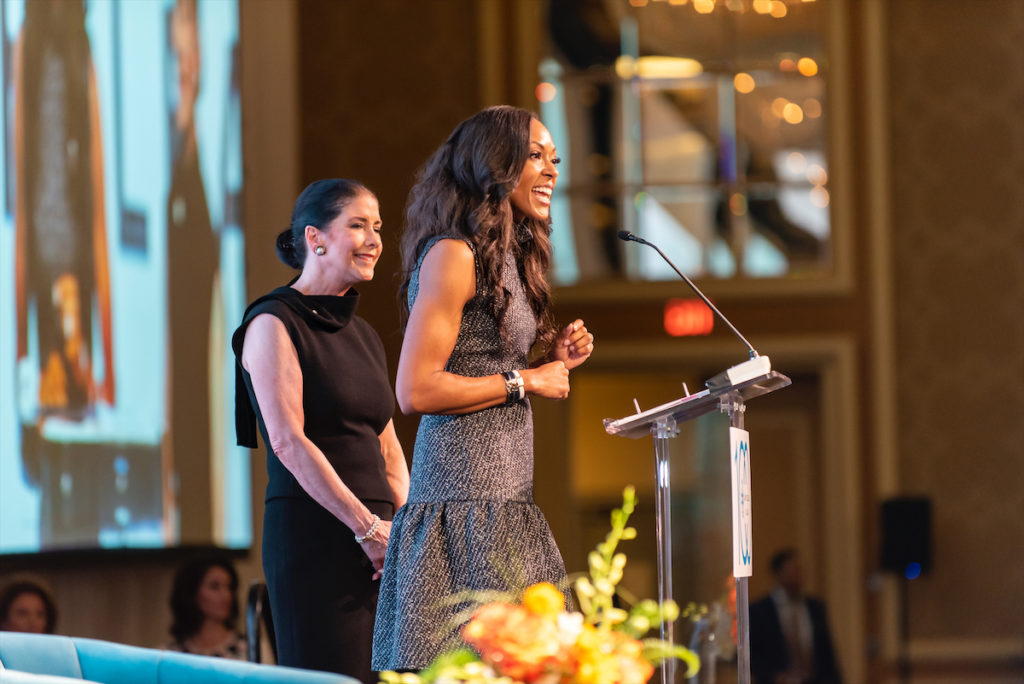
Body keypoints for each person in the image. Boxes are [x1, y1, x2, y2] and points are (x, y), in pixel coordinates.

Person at [372, 105, 595, 670]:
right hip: (464, 492)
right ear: (496, 164)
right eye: (536, 156)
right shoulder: (453, 253)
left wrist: (552, 359)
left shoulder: (510, 258)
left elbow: (480, 360)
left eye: (555, 159)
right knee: (474, 665)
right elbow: (415, 389)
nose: (551, 171)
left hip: (506, 494)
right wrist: (528, 380)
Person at [232, 179, 410, 683]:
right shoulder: (273, 321)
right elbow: (287, 439)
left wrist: (403, 534)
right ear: (316, 238)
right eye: (357, 225)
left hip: (382, 542)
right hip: (319, 538)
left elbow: (388, 444)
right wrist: (366, 528)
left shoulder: (365, 335)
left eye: (377, 226)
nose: (375, 238)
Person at [749, 548, 842, 684]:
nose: (797, 577)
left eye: (799, 571)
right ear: (777, 574)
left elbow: (827, 652)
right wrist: (775, 676)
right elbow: (752, 656)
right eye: (791, 572)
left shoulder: (815, 607)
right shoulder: (759, 611)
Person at [165, 556, 246, 659]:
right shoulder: (169, 655)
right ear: (191, 592)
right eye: (214, 586)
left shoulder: (251, 649)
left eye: (229, 587)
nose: (226, 596)